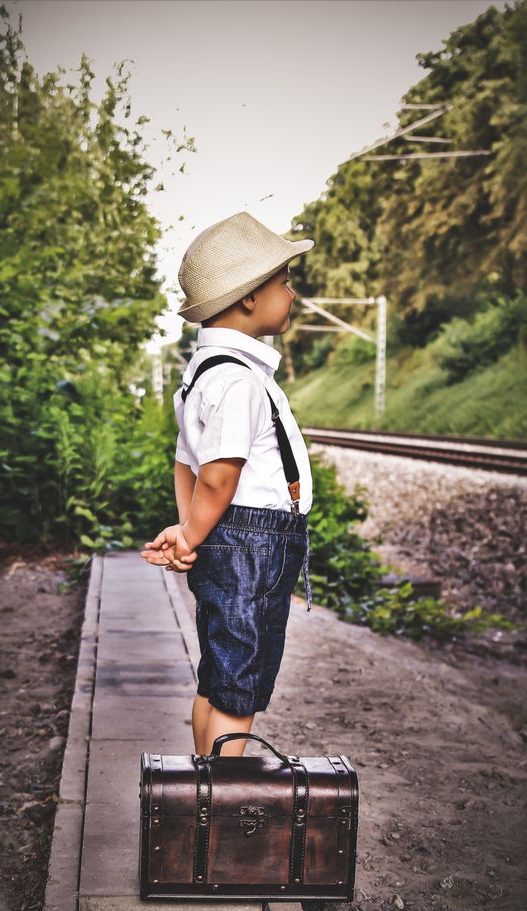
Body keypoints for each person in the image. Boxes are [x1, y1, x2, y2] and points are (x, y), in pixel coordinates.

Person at [140, 211, 315, 757]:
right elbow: (219, 475)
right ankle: (219, 799)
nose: (291, 293)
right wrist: (191, 535)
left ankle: (199, 785)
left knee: (218, 673)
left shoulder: (201, 374)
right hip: (253, 542)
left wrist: (190, 528)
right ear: (246, 299)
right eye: (283, 283)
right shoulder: (238, 380)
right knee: (241, 684)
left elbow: (185, 466)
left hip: (230, 537)